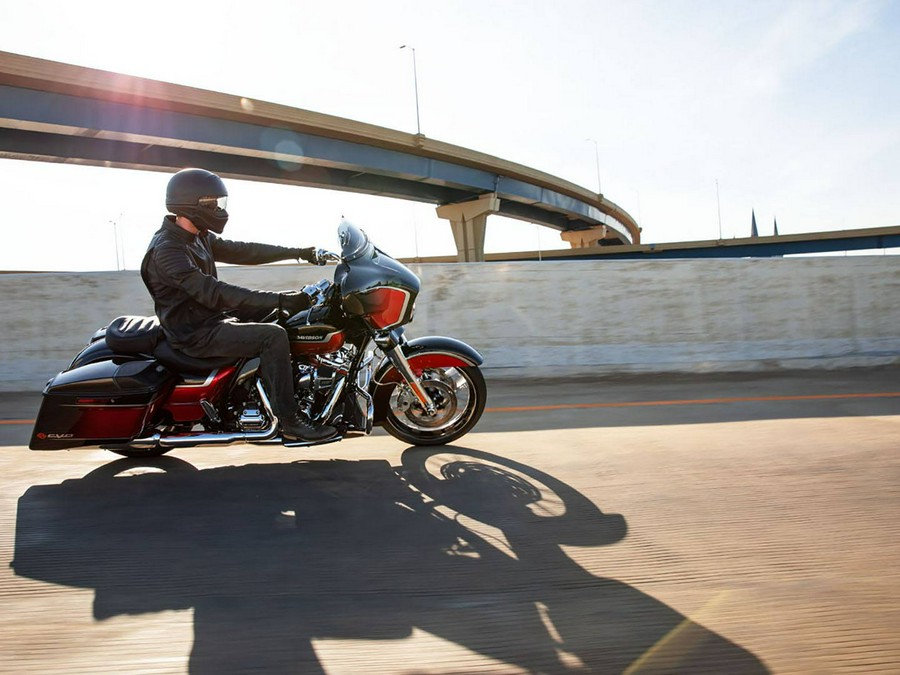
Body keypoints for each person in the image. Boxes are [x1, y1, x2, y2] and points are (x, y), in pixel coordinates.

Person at [140, 167, 336, 442]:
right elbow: (214, 293)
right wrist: (281, 299)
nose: (220, 210)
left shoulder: (198, 235)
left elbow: (244, 250)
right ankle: (291, 423)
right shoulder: (168, 250)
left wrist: (298, 252)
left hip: (209, 317)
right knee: (273, 336)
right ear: (190, 204)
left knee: (283, 317)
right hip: (195, 332)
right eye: (213, 204)